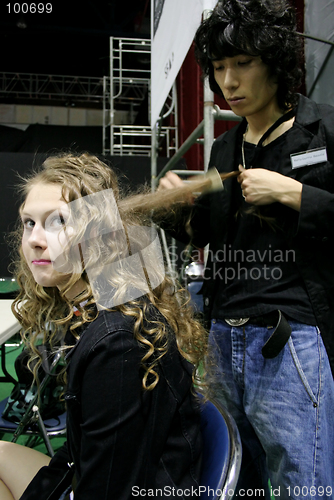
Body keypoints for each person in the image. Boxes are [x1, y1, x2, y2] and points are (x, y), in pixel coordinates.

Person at [159, 0, 334, 498]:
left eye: (243, 63)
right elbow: (208, 237)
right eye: (218, 68)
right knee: (236, 480)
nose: (229, 81)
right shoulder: (224, 148)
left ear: (275, 61)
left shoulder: (322, 130)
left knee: (306, 484)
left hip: (290, 340)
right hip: (221, 336)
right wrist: (179, 210)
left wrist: (290, 192)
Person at [0, 152, 208, 500]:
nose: (35, 239)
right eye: (29, 223)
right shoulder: (93, 309)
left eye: (57, 222)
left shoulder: (118, 341)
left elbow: (109, 488)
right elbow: (84, 449)